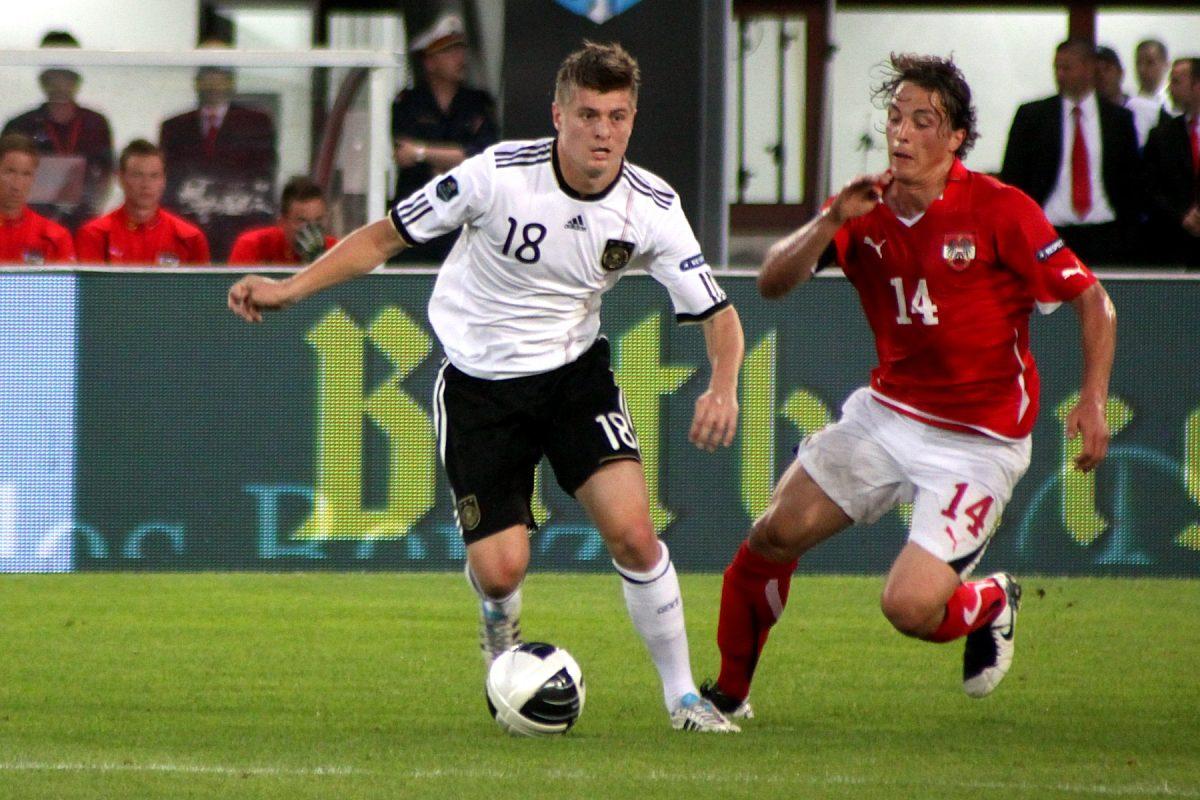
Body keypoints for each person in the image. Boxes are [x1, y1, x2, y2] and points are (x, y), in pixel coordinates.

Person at [230, 42, 745, 733]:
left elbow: (718, 313)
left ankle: (683, 699)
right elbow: (384, 238)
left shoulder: (651, 206)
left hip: (573, 379)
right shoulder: (496, 176)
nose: (604, 131)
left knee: (634, 534)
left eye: (618, 116)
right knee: (502, 571)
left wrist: (723, 384)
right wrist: (289, 290)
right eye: (589, 114)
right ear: (557, 115)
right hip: (480, 388)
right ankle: (500, 631)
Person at [700, 53, 1116, 720]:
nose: (902, 133)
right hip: (887, 417)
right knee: (773, 535)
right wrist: (831, 221)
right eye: (895, 117)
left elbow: (1094, 301)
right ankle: (726, 697)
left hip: (977, 443)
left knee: (909, 607)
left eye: (923, 121)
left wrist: (1093, 399)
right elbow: (772, 284)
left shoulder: (1000, 210)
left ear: (955, 139)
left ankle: (989, 601)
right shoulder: (862, 208)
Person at [1000, 39, 1141, 265]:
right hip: (1050, 231)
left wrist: (1129, 231)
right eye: (1056, 68)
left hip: (1105, 232)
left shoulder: (1118, 120)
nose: (1059, 74)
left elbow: (1132, 179)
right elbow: (1014, 176)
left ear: (1087, 68)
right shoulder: (1033, 117)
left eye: (1066, 67)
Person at [390, 13, 499, 263]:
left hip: (464, 217)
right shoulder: (408, 103)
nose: (459, 58)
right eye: (449, 51)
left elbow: (483, 156)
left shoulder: (478, 103)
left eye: (460, 49)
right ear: (430, 62)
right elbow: (403, 154)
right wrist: (455, 156)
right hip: (419, 215)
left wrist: (423, 153)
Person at [159, 62, 277, 262]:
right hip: (189, 230)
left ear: (231, 81)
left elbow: (264, 176)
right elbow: (169, 182)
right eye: (207, 75)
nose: (213, 83)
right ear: (196, 82)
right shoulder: (174, 126)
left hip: (240, 228)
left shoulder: (256, 122)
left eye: (219, 75)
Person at [1, 30, 114, 232]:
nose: (59, 82)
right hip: (29, 227)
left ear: (76, 79)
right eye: (53, 74)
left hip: (83, 227)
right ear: (43, 78)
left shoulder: (95, 124)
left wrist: (94, 218)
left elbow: (106, 178)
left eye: (65, 74)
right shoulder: (20, 125)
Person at [76, 139, 210, 265]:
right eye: (137, 175)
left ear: (163, 180)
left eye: (154, 176)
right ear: (120, 178)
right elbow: (89, 289)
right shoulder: (94, 234)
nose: (146, 184)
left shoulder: (190, 238)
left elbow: (203, 289)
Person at [1142, 57, 1200, 268]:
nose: (1169, 88)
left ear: (1197, 85)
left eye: (1176, 81)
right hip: (1173, 243)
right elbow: (1149, 187)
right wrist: (1182, 215)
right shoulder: (1162, 135)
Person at [0, 133, 75, 264]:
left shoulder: (55, 237)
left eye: (26, 174)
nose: (17, 184)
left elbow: (68, 283)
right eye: (10, 172)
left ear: (34, 178)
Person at [228, 176, 337, 265]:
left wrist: (319, 263)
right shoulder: (252, 246)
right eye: (302, 221)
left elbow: (343, 290)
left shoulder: (336, 250)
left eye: (318, 220)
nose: (311, 229)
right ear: (282, 223)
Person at [1095, 45, 1162, 150]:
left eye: (1107, 69)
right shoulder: (1087, 116)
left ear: (1120, 72)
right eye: (1096, 71)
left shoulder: (1150, 110)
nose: (1101, 76)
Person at [1135, 39, 1175, 115]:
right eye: (1139, 63)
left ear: (1166, 64)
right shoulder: (1128, 105)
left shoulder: (1174, 103)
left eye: (1150, 62)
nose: (1142, 69)